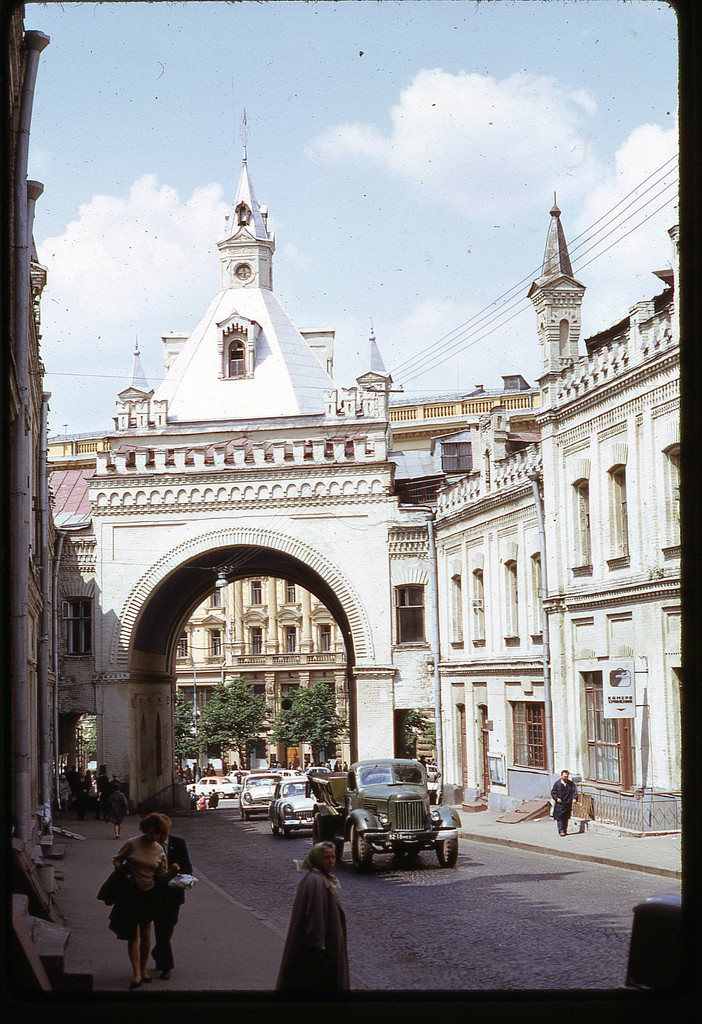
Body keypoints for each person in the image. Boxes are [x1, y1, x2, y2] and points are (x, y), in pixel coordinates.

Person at [110, 812, 178, 989]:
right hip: (131, 894)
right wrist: (124, 874)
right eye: (149, 833)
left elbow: (162, 876)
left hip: (149, 894)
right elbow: (117, 860)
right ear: (144, 830)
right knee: (133, 934)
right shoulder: (132, 843)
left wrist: (172, 871)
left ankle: (144, 969)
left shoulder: (159, 849)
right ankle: (137, 974)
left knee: (146, 933)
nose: (152, 837)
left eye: (156, 834)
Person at [276, 842, 349, 992]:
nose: (331, 861)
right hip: (320, 956)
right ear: (316, 859)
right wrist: (319, 949)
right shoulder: (316, 882)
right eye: (326, 858)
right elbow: (316, 920)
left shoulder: (316, 879)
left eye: (333, 857)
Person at [151, 815, 192, 980]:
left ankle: (157, 952)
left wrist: (177, 870)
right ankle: (166, 966)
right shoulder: (150, 845)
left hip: (174, 894)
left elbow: (188, 868)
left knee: (168, 928)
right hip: (154, 894)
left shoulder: (178, 843)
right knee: (161, 930)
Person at [551, 769, 578, 836]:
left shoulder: (571, 784)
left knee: (565, 818)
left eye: (566, 776)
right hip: (560, 803)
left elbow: (574, 791)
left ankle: (564, 830)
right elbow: (553, 792)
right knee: (559, 817)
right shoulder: (557, 784)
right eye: (564, 776)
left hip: (567, 803)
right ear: (561, 776)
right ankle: (561, 830)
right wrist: (556, 798)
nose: (565, 778)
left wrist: (574, 798)